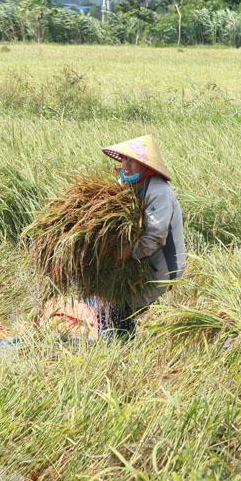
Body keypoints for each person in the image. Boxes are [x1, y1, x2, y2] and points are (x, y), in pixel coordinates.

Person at [99, 135, 186, 339]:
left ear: (145, 164)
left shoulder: (159, 191)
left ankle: (123, 345)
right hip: (137, 262)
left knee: (122, 309)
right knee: (110, 306)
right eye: (123, 159)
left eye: (132, 160)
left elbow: (155, 236)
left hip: (162, 264)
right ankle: (121, 340)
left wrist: (126, 253)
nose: (125, 165)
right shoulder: (124, 184)